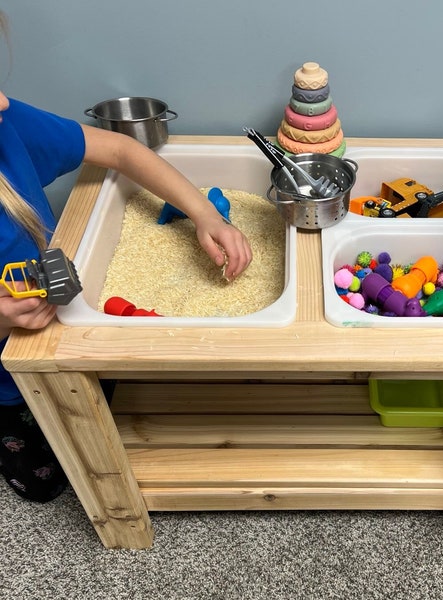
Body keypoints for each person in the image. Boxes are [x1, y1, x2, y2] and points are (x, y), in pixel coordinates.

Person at [0, 26, 253, 502]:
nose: (3, 101)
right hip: (9, 383)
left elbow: (118, 149)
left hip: (68, 320)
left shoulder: (6, 125)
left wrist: (202, 212)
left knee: (132, 399)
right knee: (50, 484)